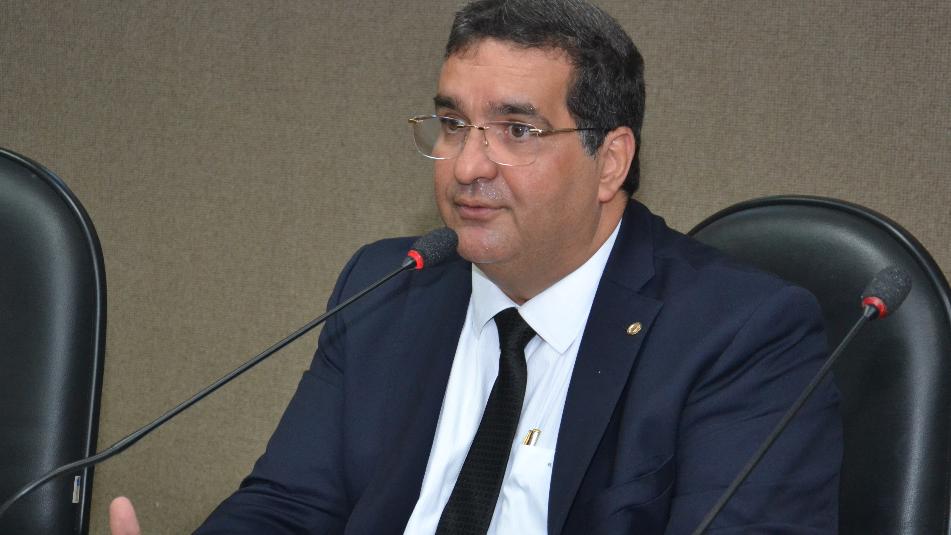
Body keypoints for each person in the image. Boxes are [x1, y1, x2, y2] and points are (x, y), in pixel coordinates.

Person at [110, 0, 842, 533]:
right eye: (454, 124)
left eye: (516, 130)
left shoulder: (741, 333)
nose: (466, 166)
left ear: (610, 161)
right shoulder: (387, 287)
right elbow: (289, 507)